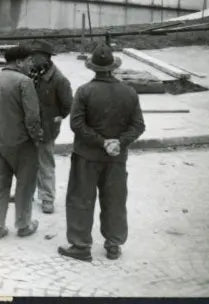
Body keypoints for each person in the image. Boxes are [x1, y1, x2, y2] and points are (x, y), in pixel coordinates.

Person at [58, 42, 145, 263]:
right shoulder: (129, 92)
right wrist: (117, 142)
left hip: (87, 156)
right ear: (113, 67)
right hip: (117, 158)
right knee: (115, 201)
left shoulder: (85, 91)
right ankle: (113, 245)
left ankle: (81, 245)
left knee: (80, 199)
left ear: (93, 68)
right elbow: (138, 126)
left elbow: (76, 125)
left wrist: (101, 142)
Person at [0, 45, 43, 240]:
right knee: (25, 184)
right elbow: (32, 117)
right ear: (20, 62)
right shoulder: (25, 82)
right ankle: (23, 225)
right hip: (22, 142)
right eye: (29, 61)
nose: (31, 65)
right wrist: (35, 138)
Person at [27, 40, 74, 214]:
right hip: (28, 127)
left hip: (46, 129)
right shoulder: (30, 73)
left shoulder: (59, 80)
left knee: (45, 164)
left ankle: (47, 198)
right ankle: (26, 193)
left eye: (35, 55)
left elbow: (68, 104)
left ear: (46, 58)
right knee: (26, 162)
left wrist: (57, 118)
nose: (31, 58)